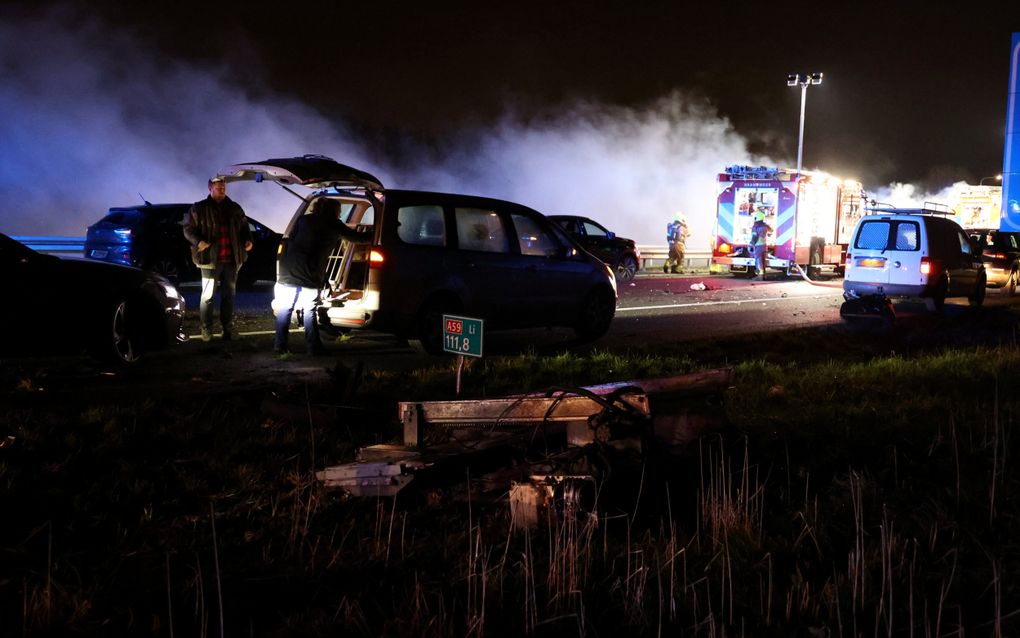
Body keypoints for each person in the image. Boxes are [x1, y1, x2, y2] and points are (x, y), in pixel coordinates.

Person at [273, 197, 373, 355]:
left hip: (288, 267)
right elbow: (356, 238)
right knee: (309, 310)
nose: (340, 213)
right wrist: (378, 233)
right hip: (310, 270)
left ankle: (280, 346)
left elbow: (291, 240)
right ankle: (313, 348)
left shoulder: (303, 219)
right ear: (334, 211)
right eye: (339, 210)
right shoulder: (333, 223)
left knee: (285, 307)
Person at [183, 176, 253, 341]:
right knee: (207, 297)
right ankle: (206, 331)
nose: (222, 189)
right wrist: (198, 241)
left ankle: (227, 330)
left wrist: (248, 240)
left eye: (223, 187)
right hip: (209, 260)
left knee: (229, 296)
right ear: (210, 188)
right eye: (218, 187)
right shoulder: (199, 208)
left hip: (231, 259)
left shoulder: (234, 208)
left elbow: (244, 228)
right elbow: (187, 229)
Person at [749, 208, 773, 281]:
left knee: (758, 260)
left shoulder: (755, 226)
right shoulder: (765, 225)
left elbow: (754, 236)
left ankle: (760, 276)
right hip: (764, 245)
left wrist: (751, 244)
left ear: (756, 218)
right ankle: (763, 275)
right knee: (762, 260)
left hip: (758, 245)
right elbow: (771, 231)